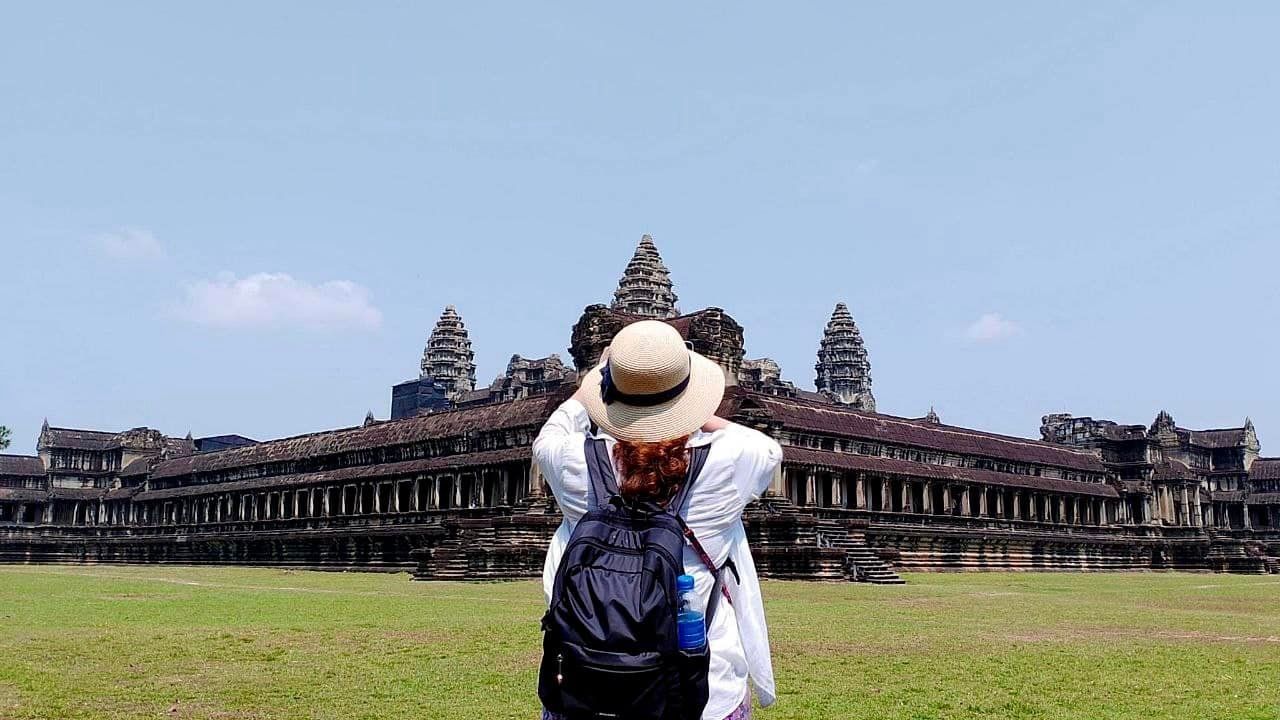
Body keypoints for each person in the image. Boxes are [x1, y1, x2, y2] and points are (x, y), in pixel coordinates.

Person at [533, 320, 782, 720]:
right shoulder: (728, 463)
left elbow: (552, 432)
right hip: (703, 692)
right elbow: (765, 446)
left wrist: (602, 380)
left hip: (585, 690)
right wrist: (691, 409)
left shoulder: (570, 461)